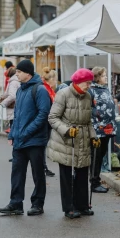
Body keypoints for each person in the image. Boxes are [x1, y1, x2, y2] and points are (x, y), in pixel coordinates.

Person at [0, 60, 51, 216]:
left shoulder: (39, 90)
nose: (17, 74)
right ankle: (16, 203)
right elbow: (17, 115)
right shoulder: (21, 90)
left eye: (19, 72)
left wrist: (27, 132)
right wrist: (13, 133)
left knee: (38, 174)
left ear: (28, 73)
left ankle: (37, 203)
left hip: (35, 140)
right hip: (20, 140)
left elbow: (43, 114)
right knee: (17, 173)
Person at [48, 68, 99, 219]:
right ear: (78, 82)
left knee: (83, 174)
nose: (89, 86)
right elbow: (52, 117)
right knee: (67, 176)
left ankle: (82, 205)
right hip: (66, 141)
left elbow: (88, 121)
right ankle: (69, 207)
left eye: (90, 83)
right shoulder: (63, 94)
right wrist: (66, 129)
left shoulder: (88, 96)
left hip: (82, 139)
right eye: (87, 83)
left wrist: (93, 136)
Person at [89, 67, 116, 193]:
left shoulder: (105, 89)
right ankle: (94, 182)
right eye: (104, 75)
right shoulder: (91, 91)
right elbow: (89, 109)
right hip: (98, 129)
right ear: (97, 77)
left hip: (107, 129)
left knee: (102, 154)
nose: (106, 77)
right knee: (96, 156)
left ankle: (96, 179)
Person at [41, 68, 57, 177]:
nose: (56, 81)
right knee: (42, 146)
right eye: (55, 79)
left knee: (43, 146)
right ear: (51, 79)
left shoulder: (49, 89)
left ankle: (43, 167)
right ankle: (43, 167)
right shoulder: (45, 90)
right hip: (45, 122)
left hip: (47, 122)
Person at [0, 67, 19, 137]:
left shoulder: (13, 82)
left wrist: (3, 103)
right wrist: (2, 96)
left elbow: (12, 96)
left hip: (13, 108)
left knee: (13, 129)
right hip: (16, 107)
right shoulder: (15, 81)